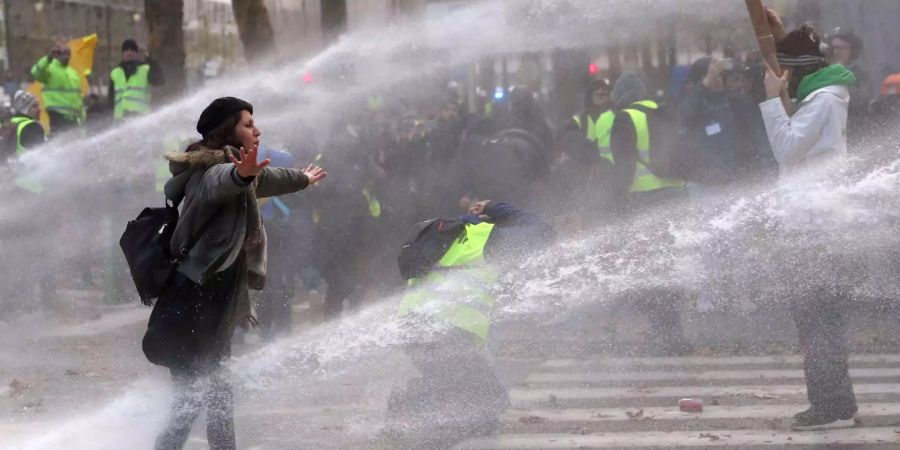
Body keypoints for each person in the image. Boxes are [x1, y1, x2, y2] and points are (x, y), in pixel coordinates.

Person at [146, 97, 326, 449]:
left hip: (213, 299)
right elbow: (221, 182)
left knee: (215, 394)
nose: (256, 130)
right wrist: (241, 174)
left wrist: (302, 179)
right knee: (197, 395)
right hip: (193, 299)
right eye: (247, 124)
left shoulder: (240, 168)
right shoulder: (210, 171)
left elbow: (267, 178)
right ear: (226, 131)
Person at [386, 200, 554, 448]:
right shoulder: (482, 238)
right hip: (448, 331)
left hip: (415, 327)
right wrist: (496, 208)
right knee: (487, 401)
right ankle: (413, 416)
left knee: (473, 399)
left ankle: (417, 407)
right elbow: (544, 232)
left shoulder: (444, 241)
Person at [761, 9, 859, 431]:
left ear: (798, 73)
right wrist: (781, 34)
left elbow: (787, 148)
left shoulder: (821, 102)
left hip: (814, 230)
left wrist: (769, 99)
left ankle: (828, 402)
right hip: (814, 225)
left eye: (787, 72)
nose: (784, 78)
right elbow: (804, 59)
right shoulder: (822, 93)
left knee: (815, 318)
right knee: (820, 319)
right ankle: (839, 400)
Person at [608, 72, 691, 355]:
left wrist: (614, 202)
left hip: (644, 202)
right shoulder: (663, 111)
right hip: (676, 198)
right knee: (668, 266)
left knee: (649, 269)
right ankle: (673, 330)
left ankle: (665, 333)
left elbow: (623, 168)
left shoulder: (625, 118)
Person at [679, 57, 773, 188]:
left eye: (720, 76)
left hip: (738, 176)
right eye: (714, 77)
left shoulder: (735, 101)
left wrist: (762, 167)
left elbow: (757, 135)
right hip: (707, 181)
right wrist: (704, 85)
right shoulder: (696, 105)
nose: (718, 80)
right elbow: (684, 117)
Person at [30, 41, 83, 134]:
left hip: (74, 119)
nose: (66, 56)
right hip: (58, 117)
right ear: (57, 55)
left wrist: (82, 118)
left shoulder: (73, 73)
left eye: (68, 53)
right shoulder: (49, 70)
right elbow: (35, 72)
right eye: (63, 53)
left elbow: (78, 97)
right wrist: (48, 58)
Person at [108, 39, 165, 121]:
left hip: (141, 118)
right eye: (126, 50)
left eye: (132, 50)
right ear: (122, 53)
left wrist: (150, 60)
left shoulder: (145, 69)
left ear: (137, 53)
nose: (129, 52)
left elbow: (160, 80)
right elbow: (110, 100)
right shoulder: (115, 73)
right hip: (119, 119)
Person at [568, 78, 615, 162]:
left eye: (606, 95)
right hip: (586, 170)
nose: (603, 98)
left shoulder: (617, 119)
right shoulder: (578, 122)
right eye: (599, 95)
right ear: (590, 97)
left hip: (612, 170)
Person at [8, 90, 45, 155]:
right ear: (24, 109)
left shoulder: (7, 124)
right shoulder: (32, 126)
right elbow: (43, 154)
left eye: (38, 105)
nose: (39, 109)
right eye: (34, 106)